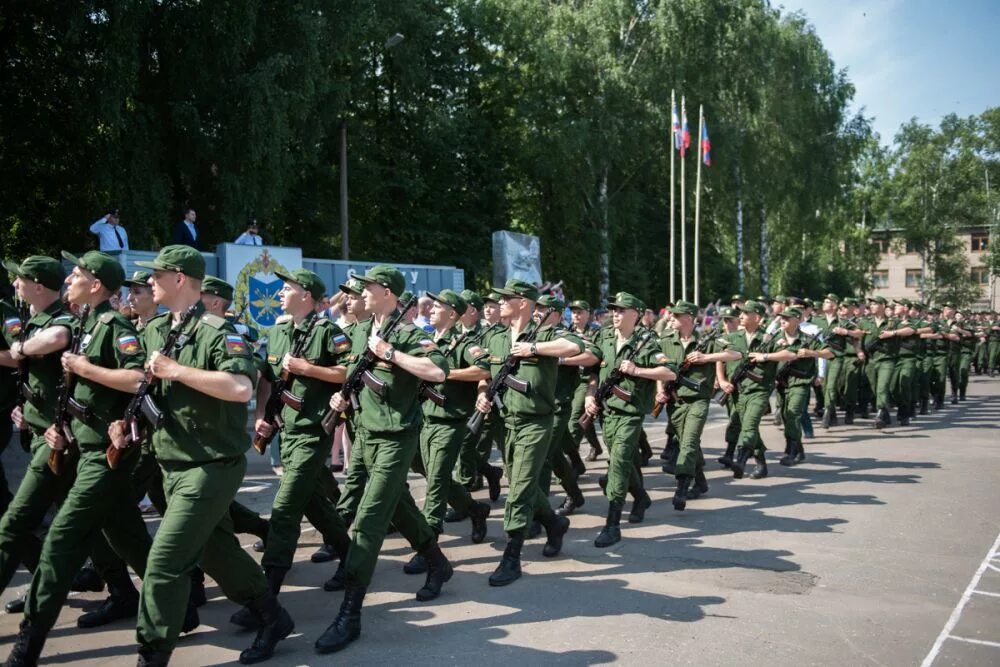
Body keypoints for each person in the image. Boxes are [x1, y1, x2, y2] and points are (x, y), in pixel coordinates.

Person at [121, 245, 295, 665]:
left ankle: (152, 654)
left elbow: (240, 387)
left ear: (179, 278)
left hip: (211, 465)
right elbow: (147, 383)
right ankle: (272, 616)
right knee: (216, 550)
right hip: (172, 461)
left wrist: (176, 370)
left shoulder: (220, 331)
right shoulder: (158, 329)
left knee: (164, 563)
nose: (148, 283)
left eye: (156, 276)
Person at [4, 251, 156, 664]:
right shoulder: (88, 322)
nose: (70, 276)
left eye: (79, 272)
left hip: (105, 455)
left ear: (97, 284)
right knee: (124, 533)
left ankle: (29, 643)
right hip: (78, 444)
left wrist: (87, 369)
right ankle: (185, 595)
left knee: (59, 542)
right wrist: (58, 424)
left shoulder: (114, 324)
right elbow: (71, 392)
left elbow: (138, 377)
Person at [317, 265, 454, 655]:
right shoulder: (359, 331)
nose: (359, 294)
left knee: (369, 519)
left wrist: (391, 353)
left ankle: (350, 613)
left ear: (389, 293)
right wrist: (341, 397)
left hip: (396, 438)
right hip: (363, 434)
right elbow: (349, 374)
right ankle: (436, 561)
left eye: (368, 289)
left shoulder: (409, 334)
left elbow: (437, 371)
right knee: (400, 510)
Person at [230, 269, 354, 632]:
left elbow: (347, 371)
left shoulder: (328, 331)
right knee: (313, 501)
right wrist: (263, 418)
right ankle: (350, 555)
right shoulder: (278, 330)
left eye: (289, 288)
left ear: (308, 296)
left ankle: (264, 596)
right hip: (287, 430)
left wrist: (308, 368)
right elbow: (268, 379)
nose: (281, 292)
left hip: (314, 431)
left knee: (284, 510)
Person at [475, 278, 583, 585]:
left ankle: (512, 556)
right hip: (507, 422)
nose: (500, 303)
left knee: (520, 489)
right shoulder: (496, 337)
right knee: (520, 481)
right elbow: (485, 371)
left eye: (506, 298)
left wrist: (533, 347)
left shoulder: (547, 333)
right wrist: (482, 392)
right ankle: (553, 523)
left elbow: (578, 346)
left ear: (523, 302)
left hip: (536, 423)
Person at [0, 256, 75, 617]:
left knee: (14, 520)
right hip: (40, 431)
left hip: (61, 437)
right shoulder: (35, 318)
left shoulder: (60, 319)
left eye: (21, 279)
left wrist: (21, 349)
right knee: (109, 529)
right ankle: (122, 589)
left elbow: (55, 340)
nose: (15, 284)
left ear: (39, 286)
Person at [404, 289, 492, 578]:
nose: (431, 309)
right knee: (430, 472)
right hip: (425, 420)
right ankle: (474, 509)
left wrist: (445, 373)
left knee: (437, 481)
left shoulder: (465, 343)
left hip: (450, 422)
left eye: (438, 306)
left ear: (452, 314)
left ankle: (427, 546)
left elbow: (484, 368)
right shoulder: (430, 342)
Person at [586, 292, 675, 543]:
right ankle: (641, 497)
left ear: (636, 314)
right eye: (614, 309)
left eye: (622, 310)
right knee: (620, 461)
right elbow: (592, 372)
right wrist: (589, 396)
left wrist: (638, 370)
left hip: (630, 415)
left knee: (618, 464)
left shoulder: (646, 341)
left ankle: (612, 525)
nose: (615, 313)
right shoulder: (603, 336)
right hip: (607, 413)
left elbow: (670, 372)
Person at [656, 300, 738, 509]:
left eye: (676, 315)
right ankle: (700, 482)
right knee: (688, 444)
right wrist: (659, 392)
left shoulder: (706, 339)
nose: (671, 318)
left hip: (697, 401)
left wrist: (706, 357)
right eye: (671, 315)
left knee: (689, 442)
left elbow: (736, 353)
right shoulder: (666, 338)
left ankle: (682, 487)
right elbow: (657, 366)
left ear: (690, 318)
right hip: (675, 402)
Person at [750, 306, 833, 464]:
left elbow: (829, 353)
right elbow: (765, 359)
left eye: (787, 318)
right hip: (782, 383)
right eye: (782, 318)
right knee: (786, 416)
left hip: (800, 383)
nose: (783, 320)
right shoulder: (775, 339)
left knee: (793, 412)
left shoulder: (807, 339)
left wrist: (812, 353)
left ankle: (792, 450)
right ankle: (797, 448)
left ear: (798, 320)